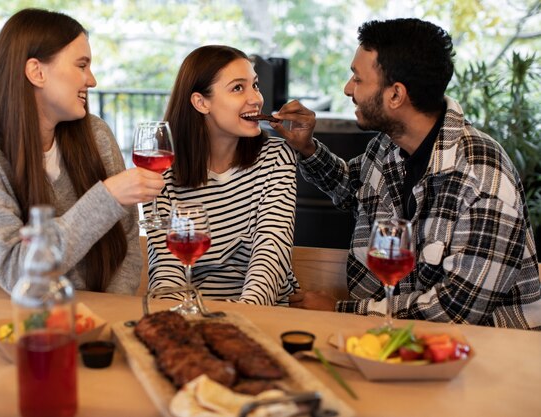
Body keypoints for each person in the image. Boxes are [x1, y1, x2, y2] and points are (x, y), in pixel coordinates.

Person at [271, 18, 541, 330]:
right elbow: (351, 188)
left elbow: (456, 312)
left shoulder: (483, 177)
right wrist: (307, 148)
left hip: (493, 357)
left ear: (396, 95)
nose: (347, 89)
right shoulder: (387, 146)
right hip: (402, 340)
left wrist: (339, 311)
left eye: (357, 79)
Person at [0, 8, 164, 294]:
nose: (92, 80)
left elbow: (125, 243)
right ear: (36, 72)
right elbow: (17, 272)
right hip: (11, 323)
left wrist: (108, 315)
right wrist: (107, 197)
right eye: (81, 65)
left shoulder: (96, 134)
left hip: (95, 323)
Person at [145, 45, 299, 305]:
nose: (256, 98)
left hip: (263, 315)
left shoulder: (277, 156)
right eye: (238, 88)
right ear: (201, 102)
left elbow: (270, 255)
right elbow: (166, 269)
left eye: (255, 85)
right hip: (193, 316)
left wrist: (242, 318)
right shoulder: (161, 171)